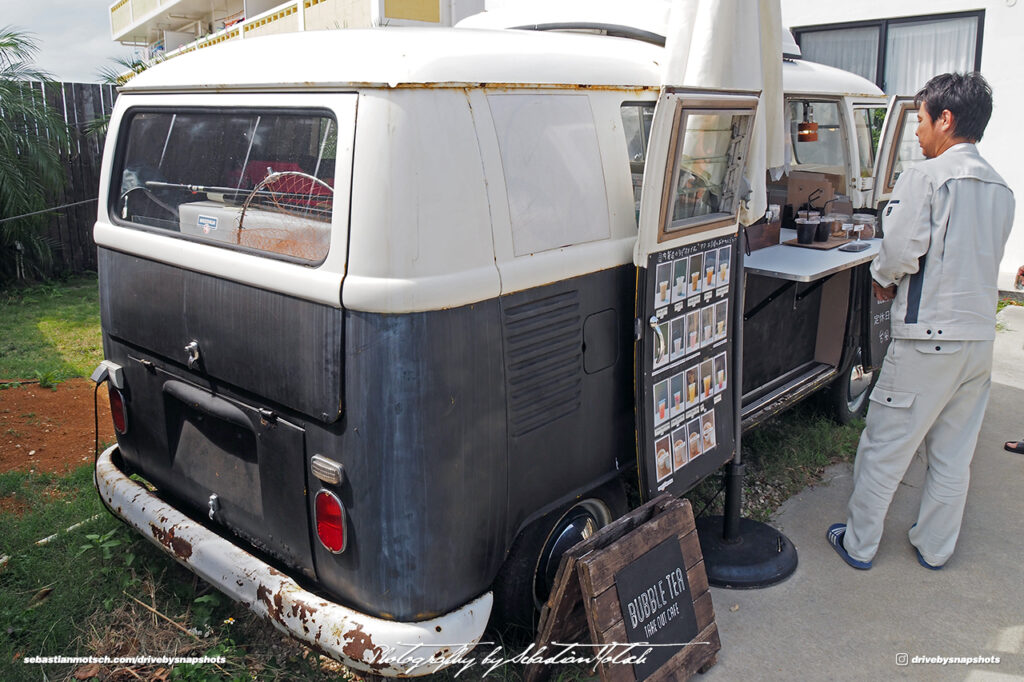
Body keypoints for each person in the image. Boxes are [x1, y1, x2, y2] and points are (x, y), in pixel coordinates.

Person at [827, 72, 1015, 570]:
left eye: (921, 119)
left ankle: (859, 544)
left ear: (946, 120)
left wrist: (883, 279)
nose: (916, 132)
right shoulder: (1001, 187)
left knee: (883, 447)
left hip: (928, 338)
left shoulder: (926, 178)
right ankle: (935, 548)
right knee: (953, 455)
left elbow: (899, 251)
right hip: (978, 339)